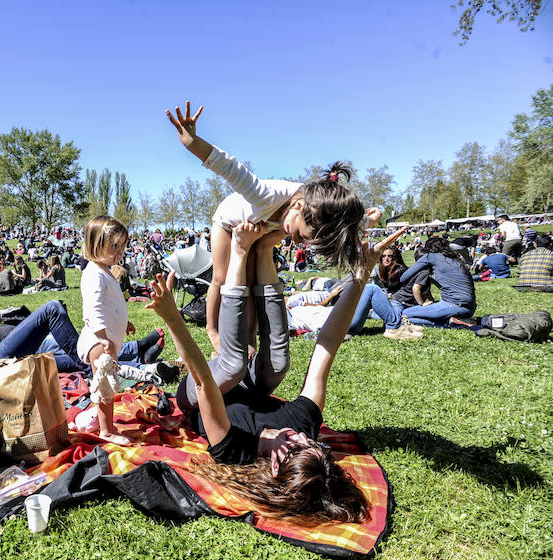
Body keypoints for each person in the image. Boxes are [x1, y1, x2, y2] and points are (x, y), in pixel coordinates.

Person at [145, 222, 406, 525]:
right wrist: (361, 275)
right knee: (278, 363)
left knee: (233, 363)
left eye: (298, 446)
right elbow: (327, 347)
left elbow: (204, 381)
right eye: (316, 445)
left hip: (197, 393)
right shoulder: (302, 426)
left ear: (275, 466)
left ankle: (242, 249)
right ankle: (265, 248)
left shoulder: (235, 451)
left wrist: (173, 318)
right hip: (246, 384)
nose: (305, 437)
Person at [166, 101, 381, 353]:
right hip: (227, 222)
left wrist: (366, 222)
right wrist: (193, 142)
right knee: (223, 279)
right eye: (301, 235)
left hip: (257, 230)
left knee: (252, 287)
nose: (298, 242)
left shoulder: (316, 207)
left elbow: (339, 224)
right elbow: (230, 167)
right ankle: (213, 329)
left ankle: (249, 342)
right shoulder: (266, 196)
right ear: (298, 207)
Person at [77, 215, 133, 445]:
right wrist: (103, 337)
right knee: (104, 388)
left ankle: (105, 424)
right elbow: (92, 309)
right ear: (95, 245)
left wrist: (123, 321)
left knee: (107, 386)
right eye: (114, 245)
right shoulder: (94, 274)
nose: (120, 251)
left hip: (106, 339)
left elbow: (111, 304)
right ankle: (106, 430)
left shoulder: (104, 271)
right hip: (98, 341)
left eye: (122, 245)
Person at [399, 236, 477, 326]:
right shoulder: (457, 259)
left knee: (404, 314)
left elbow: (403, 278)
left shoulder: (431, 256)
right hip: (470, 308)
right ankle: (454, 319)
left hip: (454, 305)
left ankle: (450, 321)